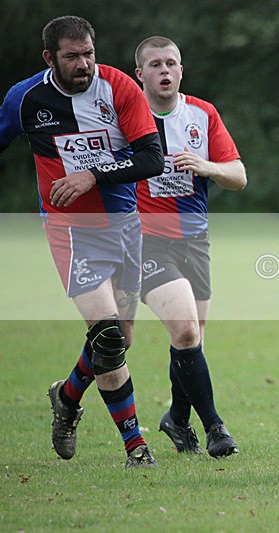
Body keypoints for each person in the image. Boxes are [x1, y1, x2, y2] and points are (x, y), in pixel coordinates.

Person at [0, 16, 164, 467]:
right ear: (49, 58)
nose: (83, 64)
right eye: (72, 57)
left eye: (88, 54)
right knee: (106, 336)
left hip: (124, 225)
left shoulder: (119, 88)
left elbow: (152, 158)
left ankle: (67, 396)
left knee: (121, 339)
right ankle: (136, 447)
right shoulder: (26, 98)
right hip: (71, 230)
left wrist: (92, 174)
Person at [133, 36, 246, 457]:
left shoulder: (202, 113)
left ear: (181, 70)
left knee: (191, 338)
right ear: (139, 74)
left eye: (171, 63)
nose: (165, 70)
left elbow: (239, 177)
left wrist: (207, 166)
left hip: (195, 240)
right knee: (184, 329)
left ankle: (177, 419)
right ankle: (215, 427)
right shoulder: (125, 118)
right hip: (145, 240)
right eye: (155, 64)